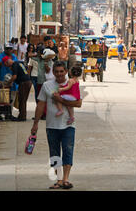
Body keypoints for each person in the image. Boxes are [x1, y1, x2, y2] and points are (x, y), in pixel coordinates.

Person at [31, 61, 82, 190]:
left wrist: (61, 100)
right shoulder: (47, 86)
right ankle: (59, 180)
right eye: (57, 71)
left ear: (66, 71)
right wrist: (35, 123)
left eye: (61, 71)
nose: (59, 74)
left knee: (68, 151)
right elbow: (40, 105)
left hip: (68, 125)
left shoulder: (72, 83)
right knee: (54, 153)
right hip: (51, 126)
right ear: (53, 72)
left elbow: (78, 103)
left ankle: (65, 179)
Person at [4, 57, 32, 121]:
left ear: (7, 62)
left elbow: (14, 77)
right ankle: (22, 116)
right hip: (27, 82)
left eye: (6, 65)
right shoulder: (19, 62)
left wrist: (8, 83)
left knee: (22, 99)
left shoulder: (14, 65)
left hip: (24, 83)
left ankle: (22, 117)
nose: (7, 66)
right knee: (22, 99)